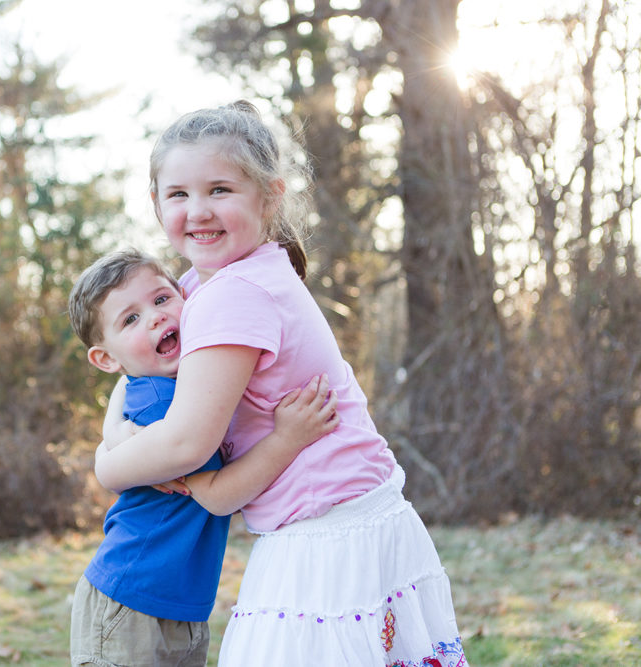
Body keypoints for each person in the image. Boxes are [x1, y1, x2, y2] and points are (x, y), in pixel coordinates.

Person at [94, 101, 467, 666]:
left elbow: (187, 445)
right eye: (178, 194)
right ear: (155, 203)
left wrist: (105, 466)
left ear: (270, 195)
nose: (198, 210)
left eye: (220, 189)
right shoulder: (211, 283)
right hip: (356, 516)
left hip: (326, 538)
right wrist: (116, 430)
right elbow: (134, 379)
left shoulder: (231, 294)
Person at [67, 248, 339, 667]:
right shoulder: (166, 410)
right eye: (131, 319)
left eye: (161, 300)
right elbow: (220, 495)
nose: (156, 317)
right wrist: (288, 439)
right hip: (132, 598)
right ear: (106, 358)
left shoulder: (175, 389)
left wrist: (112, 434)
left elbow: (123, 390)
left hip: (177, 602)